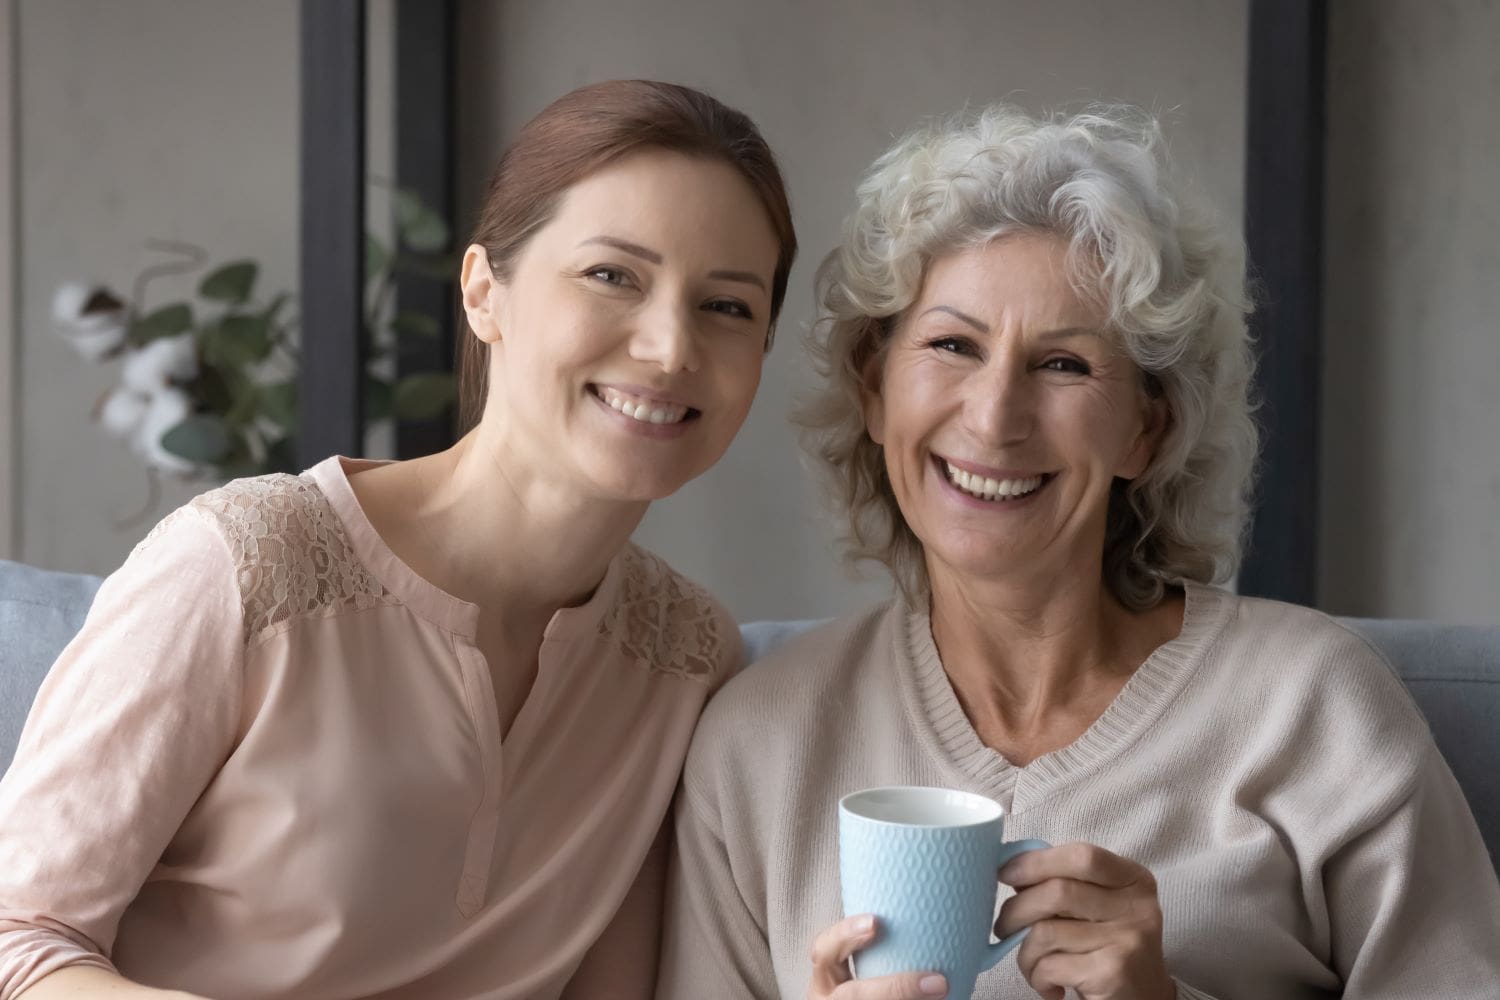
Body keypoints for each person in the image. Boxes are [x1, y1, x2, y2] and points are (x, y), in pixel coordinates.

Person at [656, 104, 1500, 999]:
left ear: (1148, 427)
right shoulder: (758, 742)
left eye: (1064, 364)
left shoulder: (1316, 709)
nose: (994, 418)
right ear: (876, 391)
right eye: (951, 345)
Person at [0, 79, 796, 1000]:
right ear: (483, 292)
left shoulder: (686, 659)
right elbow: (19, 937)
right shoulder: (246, 565)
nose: (669, 347)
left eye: (727, 307)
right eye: (612, 275)